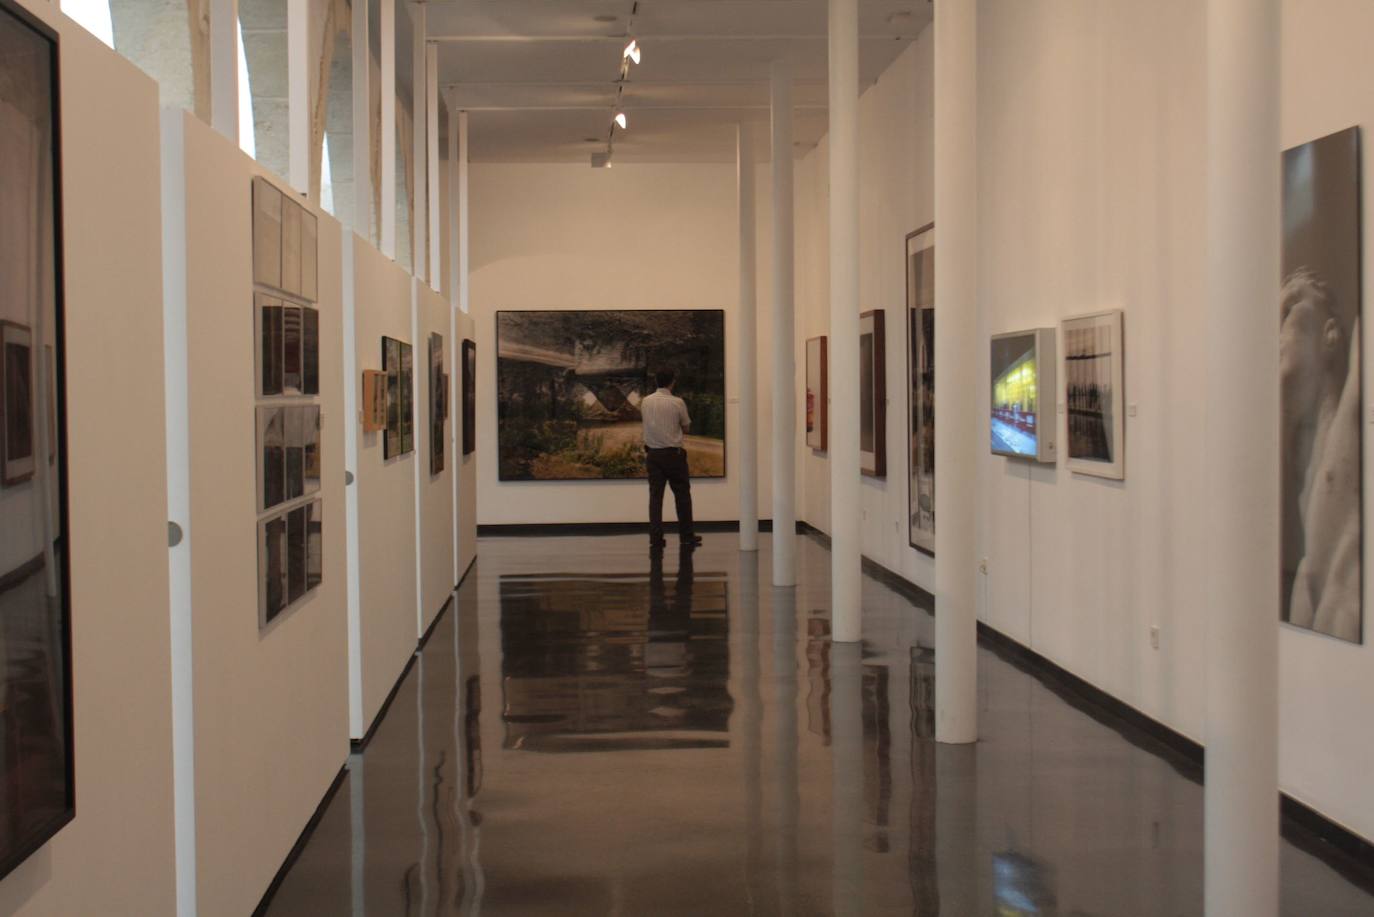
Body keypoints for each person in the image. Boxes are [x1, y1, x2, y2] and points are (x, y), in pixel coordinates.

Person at [641, 369, 701, 550]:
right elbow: (687, 427)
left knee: (655, 497)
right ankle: (686, 536)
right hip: (674, 456)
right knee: (682, 496)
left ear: (656, 381)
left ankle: (656, 538)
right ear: (672, 382)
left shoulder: (646, 401)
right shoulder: (678, 402)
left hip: (653, 455)